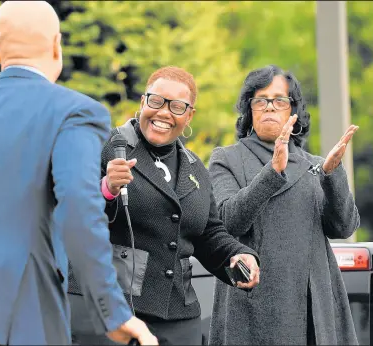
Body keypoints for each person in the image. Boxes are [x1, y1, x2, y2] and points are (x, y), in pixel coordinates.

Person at [0, 1, 157, 345]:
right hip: (18, 318)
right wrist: (113, 312)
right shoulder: (75, 112)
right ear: (56, 45)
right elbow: (79, 207)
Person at [68, 66, 261, 345]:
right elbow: (69, 212)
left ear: (189, 115)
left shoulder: (196, 169)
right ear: (143, 102)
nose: (164, 113)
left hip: (177, 319)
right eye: (156, 101)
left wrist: (238, 255)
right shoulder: (102, 147)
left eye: (177, 106)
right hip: (109, 312)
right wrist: (106, 189)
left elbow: (208, 234)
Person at [207, 64, 360, 345]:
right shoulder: (226, 159)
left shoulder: (316, 166)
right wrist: (272, 173)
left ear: (293, 111)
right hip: (250, 308)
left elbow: (344, 227)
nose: (269, 107)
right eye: (260, 100)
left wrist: (333, 174)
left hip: (312, 308)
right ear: (249, 110)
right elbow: (226, 221)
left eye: (279, 100)